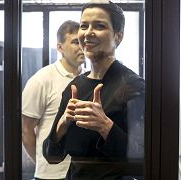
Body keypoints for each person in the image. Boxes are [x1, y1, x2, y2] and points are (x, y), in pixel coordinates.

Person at [42, 1, 145, 179]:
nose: (88, 32)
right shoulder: (75, 87)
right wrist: (63, 123)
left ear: (118, 36)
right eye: (84, 26)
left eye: (99, 26)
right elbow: (52, 156)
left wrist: (105, 126)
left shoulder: (133, 86)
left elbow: (142, 162)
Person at [22, 20, 85, 179]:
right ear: (60, 48)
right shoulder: (42, 80)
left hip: (82, 173)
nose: (81, 47)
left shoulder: (90, 79)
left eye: (83, 41)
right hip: (51, 175)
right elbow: (26, 130)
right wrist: (43, 163)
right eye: (75, 42)